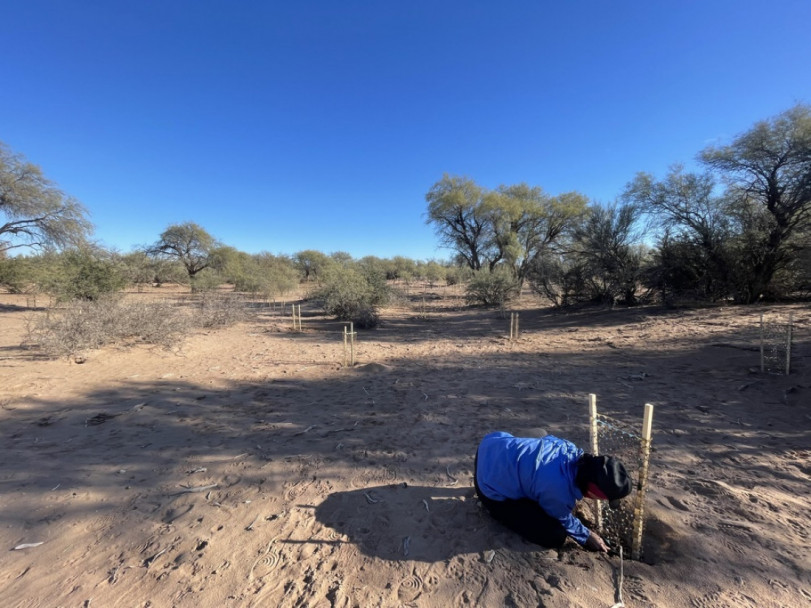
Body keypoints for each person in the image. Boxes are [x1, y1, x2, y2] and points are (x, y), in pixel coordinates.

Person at [474, 431, 632, 552]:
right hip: (487, 485)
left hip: (490, 445)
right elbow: (561, 516)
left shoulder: (569, 449)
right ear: (594, 490)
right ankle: (494, 511)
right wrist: (587, 536)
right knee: (555, 535)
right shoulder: (558, 490)